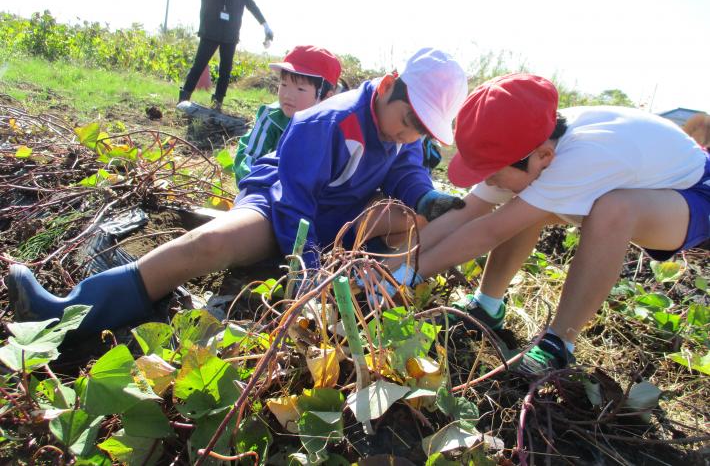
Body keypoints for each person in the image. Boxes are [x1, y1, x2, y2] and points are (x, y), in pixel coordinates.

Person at [7, 48, 469, 338]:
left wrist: (423, 198)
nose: (409, 136)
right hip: (280, 203)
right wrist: (306, 266)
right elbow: (294, 200)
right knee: (211, 244)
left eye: (421, 131)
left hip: (339, 212)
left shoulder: (400, 136)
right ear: (387, 87)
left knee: (418, 216)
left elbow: (408, 169)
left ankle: (372, 269)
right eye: (408, 122)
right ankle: (66, 313)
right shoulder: (327, 121)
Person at [382, 73, 710, 374]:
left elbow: (490, 230)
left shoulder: (578, 157)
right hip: (637, 180)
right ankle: (487, 306)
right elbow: (467, 211)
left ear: (543, 157)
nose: (489, 179)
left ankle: (559, 343)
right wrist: (392, 269)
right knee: (525, 200)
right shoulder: (524, 138)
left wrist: (410, 276)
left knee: (613, 209)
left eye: (494, 171)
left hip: (692, 195)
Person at [178, 0, 273, 111]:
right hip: (210, 30)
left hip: (230, 33)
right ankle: (183, 98)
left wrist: (265, 25)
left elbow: (251, 5)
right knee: (198, 65)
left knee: (225, 70)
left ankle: (217, 103)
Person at [234, 45, 341, 182]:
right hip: (267, 186)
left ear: (327, 96)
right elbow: (248, 155)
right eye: (284, 85)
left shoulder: (333, 128)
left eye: (300, 89)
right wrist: (258, 182)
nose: (288, 95)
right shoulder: (272, 117)